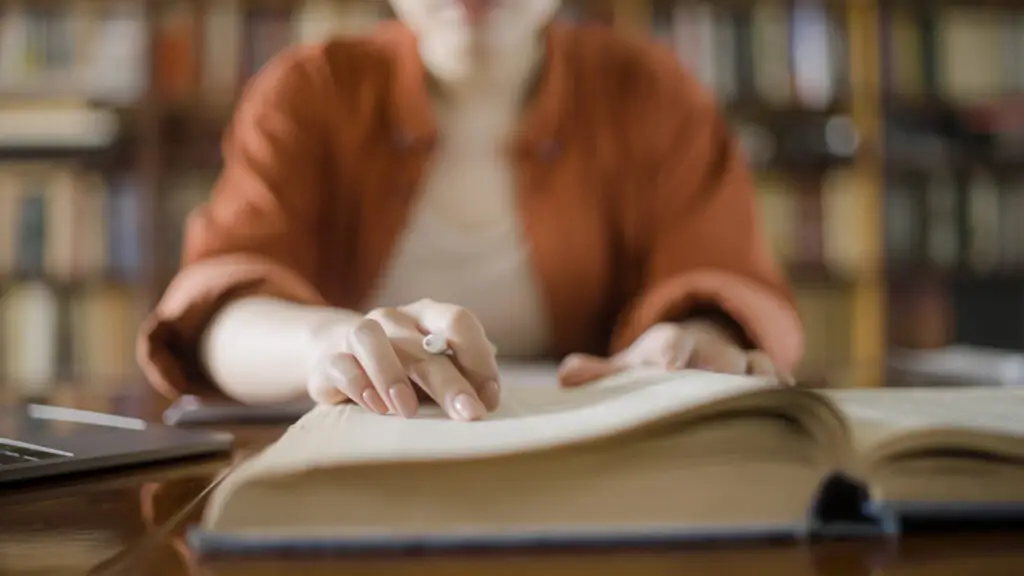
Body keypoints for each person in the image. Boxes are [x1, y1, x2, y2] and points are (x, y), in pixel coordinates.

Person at [137, 0, 805, 422]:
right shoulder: (308, 91)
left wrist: (694, 337)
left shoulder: (655, 94)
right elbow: (216, 312)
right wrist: (328, 344)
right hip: (357, 467)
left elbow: (725, 278)